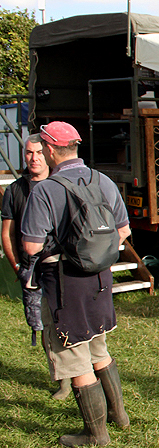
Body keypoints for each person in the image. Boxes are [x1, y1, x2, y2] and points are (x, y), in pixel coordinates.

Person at [20, 122, 132, 447]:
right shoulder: (104, 181)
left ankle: (96, 435)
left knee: (75, 357)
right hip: (100, 280)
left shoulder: (46, 190)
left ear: (51, 150)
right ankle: (119, 415)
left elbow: (30, 246)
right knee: (99, 349)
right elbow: (122, 231)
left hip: (64, 285)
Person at [1, 134, 72, 400]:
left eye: (39, 153)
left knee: (64, 320)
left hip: (60, 268)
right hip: (31, 270)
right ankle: (62, 379)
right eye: (29, 153)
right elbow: (7, 232)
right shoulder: (15, 190)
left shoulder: (59, 186)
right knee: (42, 326)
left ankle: (79, 372)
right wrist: (18, 266)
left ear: (49, 154)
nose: (33, 158)